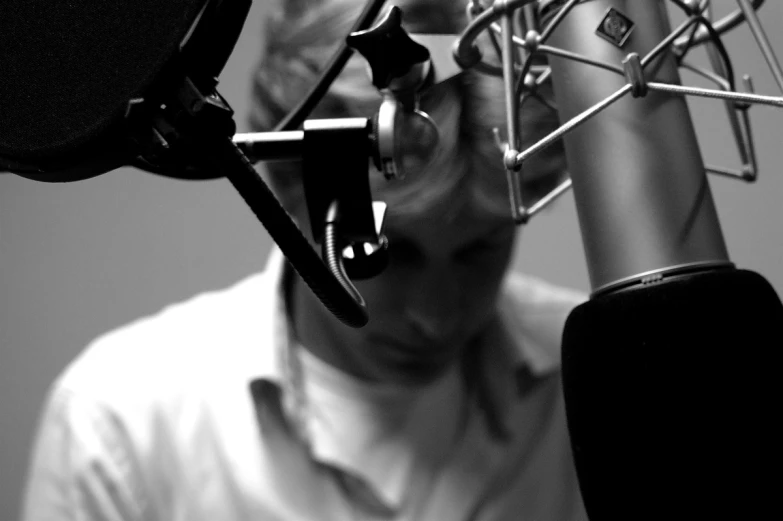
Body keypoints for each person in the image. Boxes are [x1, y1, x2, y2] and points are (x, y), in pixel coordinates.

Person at [21, 0, 589, 519]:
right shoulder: (120, 424)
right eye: (390, 252)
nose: (435, 315)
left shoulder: (601, 380)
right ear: (287, 186)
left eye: (479, 250)